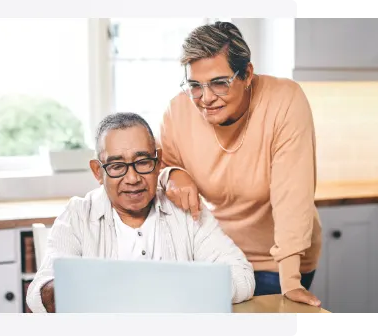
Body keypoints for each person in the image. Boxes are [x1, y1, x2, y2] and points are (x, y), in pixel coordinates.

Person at [156, 21, 322, 307]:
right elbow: (161, 171)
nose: (206, 98)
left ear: (246, 74)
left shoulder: (284, 100)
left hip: (278, 260)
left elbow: (292, 194)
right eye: (195, 86)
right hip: (219, 255)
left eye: (220, 83)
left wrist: (290, 281)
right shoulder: (178, 110)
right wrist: (173, 174)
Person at [26, 112, 255, 313]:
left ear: (158, 162)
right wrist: (77, 290)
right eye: (117, 166)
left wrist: (186, 288)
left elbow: (242, 276)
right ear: (98, 172)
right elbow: (40, 292)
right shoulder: (78, 215)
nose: (133, 178)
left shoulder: (186, 209)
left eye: (143, 162)